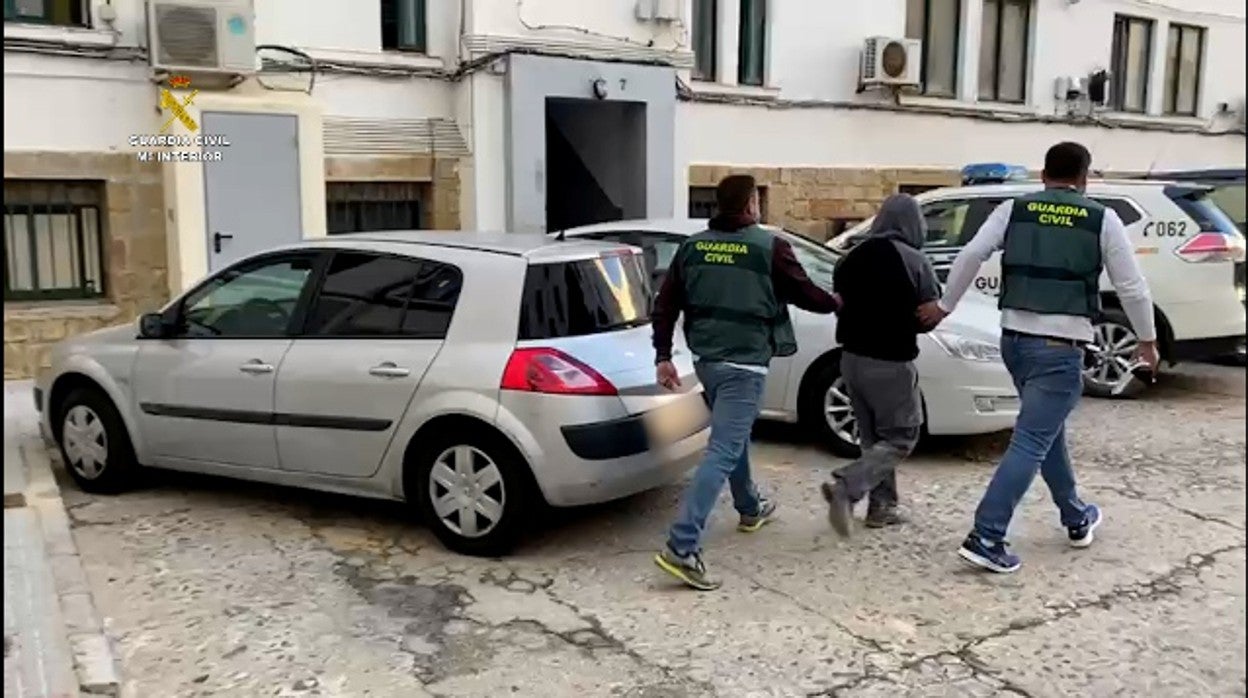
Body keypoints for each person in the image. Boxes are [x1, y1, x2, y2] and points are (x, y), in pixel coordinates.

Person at [917, 142, 1160, 574]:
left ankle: (1074, 515)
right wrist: (1146, 341)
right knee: (1032, 438)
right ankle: (987, 535)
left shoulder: (1015, 209)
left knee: (1044, 431)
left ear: (1044, 174)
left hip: (1014, 341)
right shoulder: (1101, 219)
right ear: (1086, 178)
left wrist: (947, 305)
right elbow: (1133, 288)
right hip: (1059, 348)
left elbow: (972, 253)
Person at [651, 174, 841, 591]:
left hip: (707, 360)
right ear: (752, 203)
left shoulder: (692, 247)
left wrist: (663, 356)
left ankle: (750, 507)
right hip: (746, 364)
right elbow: (808, 294)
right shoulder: (768, 247)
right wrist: (841, 301)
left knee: (730, 435)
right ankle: (682, 547)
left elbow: (664, 306)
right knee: (722, 448)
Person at [819, 194, 940, 537]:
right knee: (902, 438)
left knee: (874, 441)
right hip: (891, 361)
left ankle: (881, 507)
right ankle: (847, 485)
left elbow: (839, 302)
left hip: (851, 360)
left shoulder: (849, 258)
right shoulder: (915, 260)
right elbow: (927, 312)